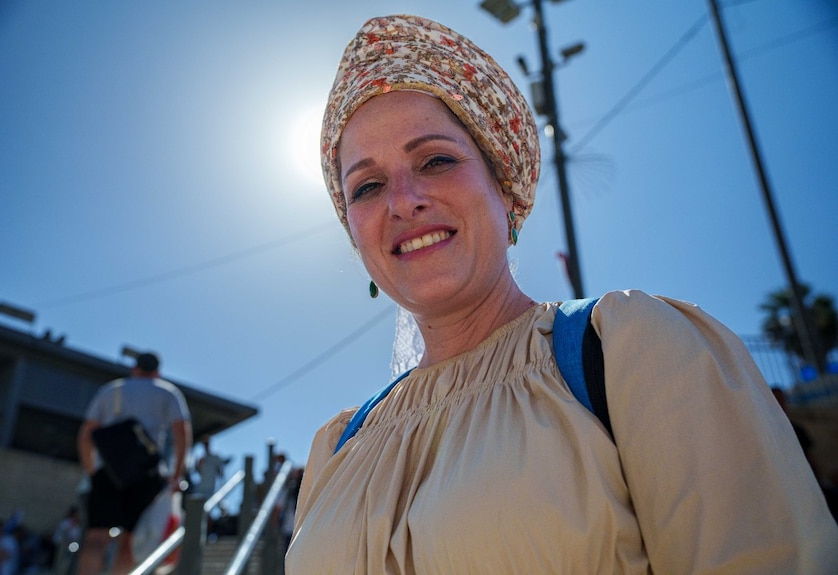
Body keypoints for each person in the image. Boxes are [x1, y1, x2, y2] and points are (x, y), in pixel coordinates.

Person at [285, 14, 838, 574]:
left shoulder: (631, 348)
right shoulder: (336, 448)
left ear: (506, 188)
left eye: (436, 160)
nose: (403, 201)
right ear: (354, 235)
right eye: (368, 186)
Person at [76, 352, 191, 575]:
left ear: (134, 368)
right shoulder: (168, 392)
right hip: (145, 474)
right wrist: (177, 475)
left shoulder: (112, 390)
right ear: (157, 372)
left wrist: (91, 470)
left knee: (96, 537)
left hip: (106, 471)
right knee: (130, 540)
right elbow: (181, 434)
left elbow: (86, 434)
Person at [52, 507, 81, 575]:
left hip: (72, 547)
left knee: (69, 563)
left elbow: (77, 537)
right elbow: (60, 535)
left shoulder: (77, 526)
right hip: (63, 546)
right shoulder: (65, 523)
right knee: (60, 562)